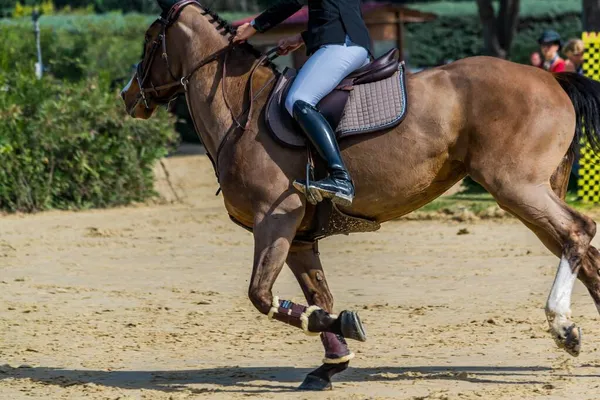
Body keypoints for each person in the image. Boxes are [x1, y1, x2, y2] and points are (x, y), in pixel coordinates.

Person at [233, 0, 372, 207]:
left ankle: (340, 177)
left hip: (340, 46)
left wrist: (253, 27)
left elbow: (292, 2)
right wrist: (301, 38)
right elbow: (335, 12)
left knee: (298, 99)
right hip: (356, 45)